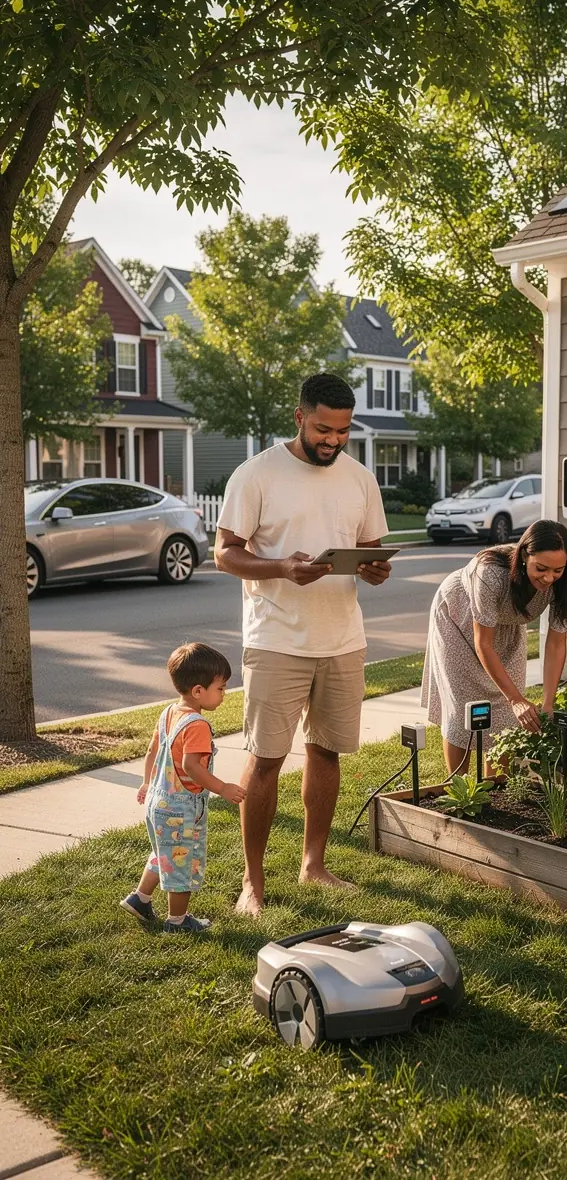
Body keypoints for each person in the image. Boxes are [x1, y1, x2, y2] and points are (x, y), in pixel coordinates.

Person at [215, 371, 391, 915]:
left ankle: (313, 865)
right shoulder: (256, 474)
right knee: (266, 759)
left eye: (342, 431)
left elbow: (371, 547)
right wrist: (280, 569)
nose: (333, 441)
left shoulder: (360, 478)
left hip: (342, 638)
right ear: (299, 417)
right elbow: (225, 553)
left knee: (326, 752)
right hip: (276, 639)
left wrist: (375, 568)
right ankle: (253, 882)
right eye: (323, 429)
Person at [421, 520, 567, 776]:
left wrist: (548, 702)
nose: (549, 577)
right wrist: (516, 699)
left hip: (508, 626)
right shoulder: (490, 573)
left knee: (506, 713)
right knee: (463, 710)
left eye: (558, 570)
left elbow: (556, 642)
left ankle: (495, 789)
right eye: (541, 568)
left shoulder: (563, 583)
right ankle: (460, 788)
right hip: (458, 619)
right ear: (525, 555)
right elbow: (483, 643)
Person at [120, 642, 246, 933]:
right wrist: (222, 787)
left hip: (157, 800)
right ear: (198, 691)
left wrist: (147, 782)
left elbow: (153, 750)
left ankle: (140, 899)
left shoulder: (168, 713)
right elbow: (192, 766)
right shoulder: (197, 725)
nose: (224, 694)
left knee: (163, 852)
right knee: (182, 861)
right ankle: (177, 921)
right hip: (179, 808)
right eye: (221, 688)